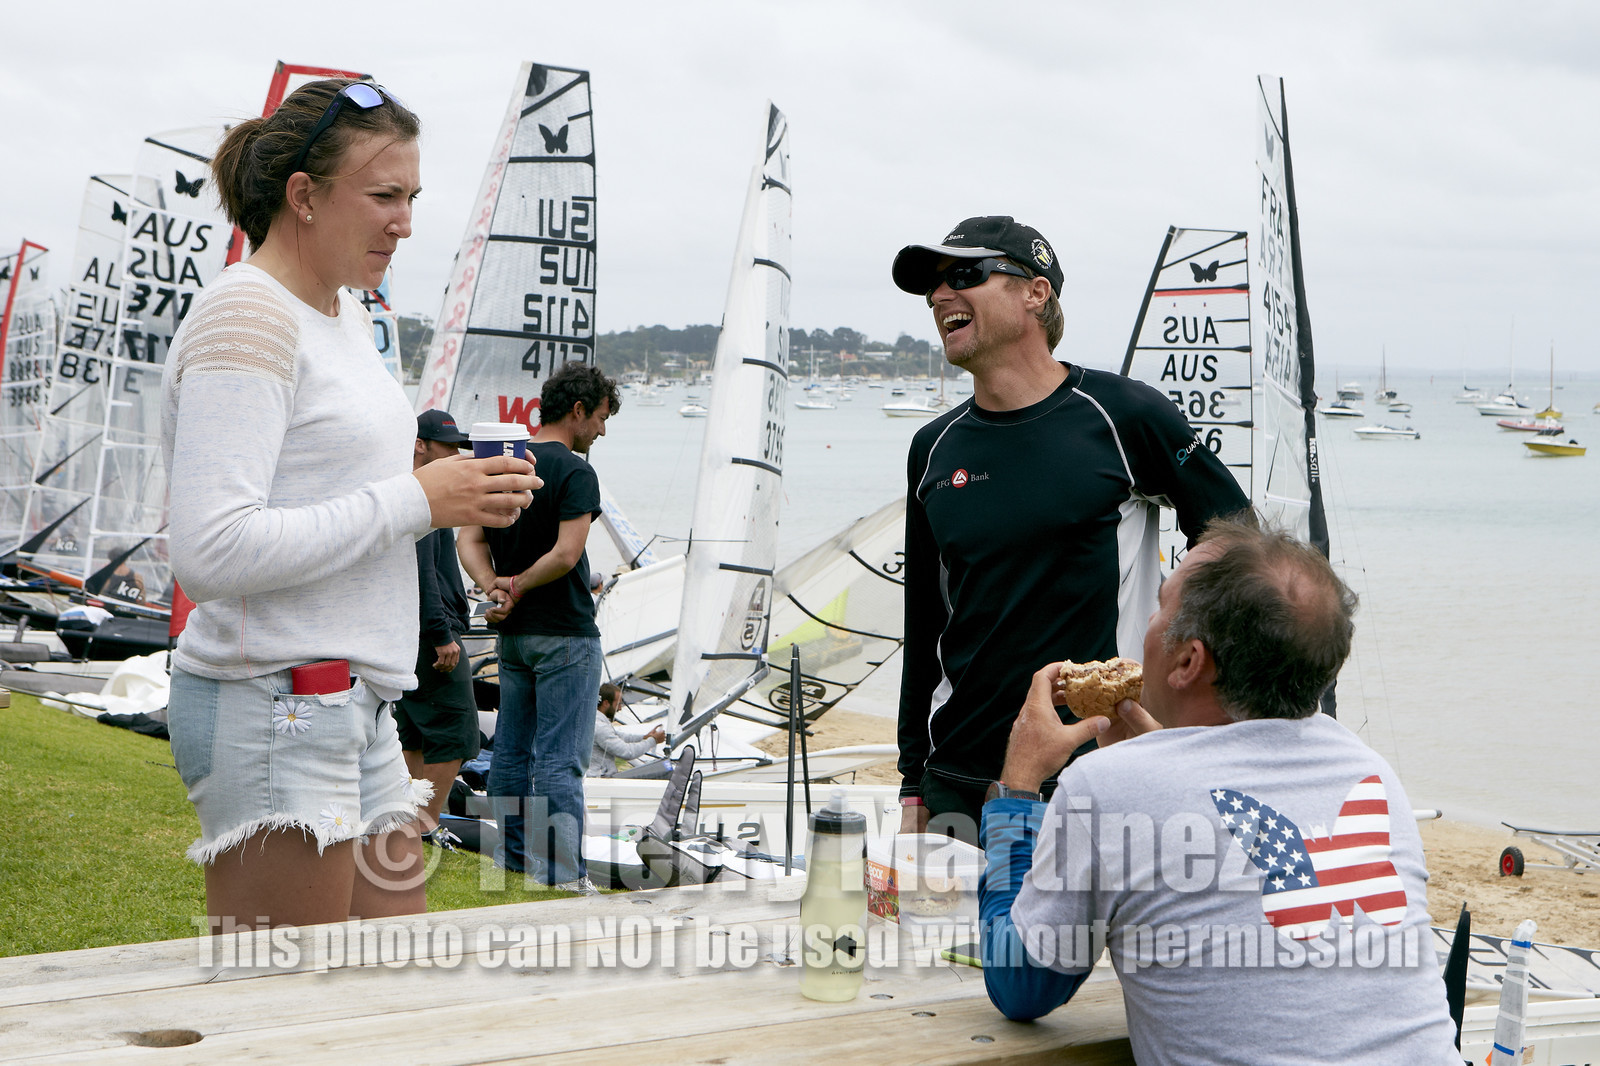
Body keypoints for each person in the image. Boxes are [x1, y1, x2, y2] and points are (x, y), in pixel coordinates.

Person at [160, 79, 538, 930]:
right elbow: (211, 552)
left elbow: (346, 493)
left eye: (411, 197)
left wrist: (454, 501)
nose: (405, 221)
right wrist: (414, 499)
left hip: (355, 705)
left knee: (380, 986)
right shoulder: (247, 316)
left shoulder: (339, 315)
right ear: (303, 195)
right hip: (274, 704)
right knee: (284, 1009)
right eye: (384, 196)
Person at [978, 518, 1460, 1064]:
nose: (1148, 623)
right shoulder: (1370, 772)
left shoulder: (1108, 785)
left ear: (1188, 662)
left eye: (1160, 607)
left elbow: (1021, 985)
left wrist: (1018, 787)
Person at [889, 215, 1250, 839]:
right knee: (959, 943)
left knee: (1077, 941)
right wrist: (914, 780)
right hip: (959, 775)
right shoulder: (934, 447)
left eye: (965, 275)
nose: (941, 297)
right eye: (933, 288)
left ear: (1036, 292)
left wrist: (1181, 662)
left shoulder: (1122, 415)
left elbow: (1237, 542)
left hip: (1090, 772)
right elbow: (924, 623)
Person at [458, 362, 620, 893]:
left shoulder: (509, 463)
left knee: (510, 751)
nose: (601, 430)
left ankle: (507, 865)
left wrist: (494, 587)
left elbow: (470, 541)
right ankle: (560, 877)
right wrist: (521, 584)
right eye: (599, 418)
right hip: (566, 634)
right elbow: (567, 552)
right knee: (559, 761)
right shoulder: (575, 473)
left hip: (515, 635)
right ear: (577, 411)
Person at [395, 410, 481, 850]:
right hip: (431, 634)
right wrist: (442, 633)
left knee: (413, 725)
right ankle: (427, 824)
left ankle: (411, 817)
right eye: (445, 445)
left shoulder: (400, 491)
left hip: (403, 633)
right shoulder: (423, 497)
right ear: (419, 444)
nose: (455, 453)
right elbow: (422, 574)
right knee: (456, 728)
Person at [589, 682, 664, 777]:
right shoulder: (600, 727)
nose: (620, 708)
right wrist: (653, 740)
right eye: (618, 704)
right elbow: (627, 752)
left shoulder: (596, 720)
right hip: (598, 780)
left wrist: (644, 737)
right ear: (606, 703)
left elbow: (619, 736)